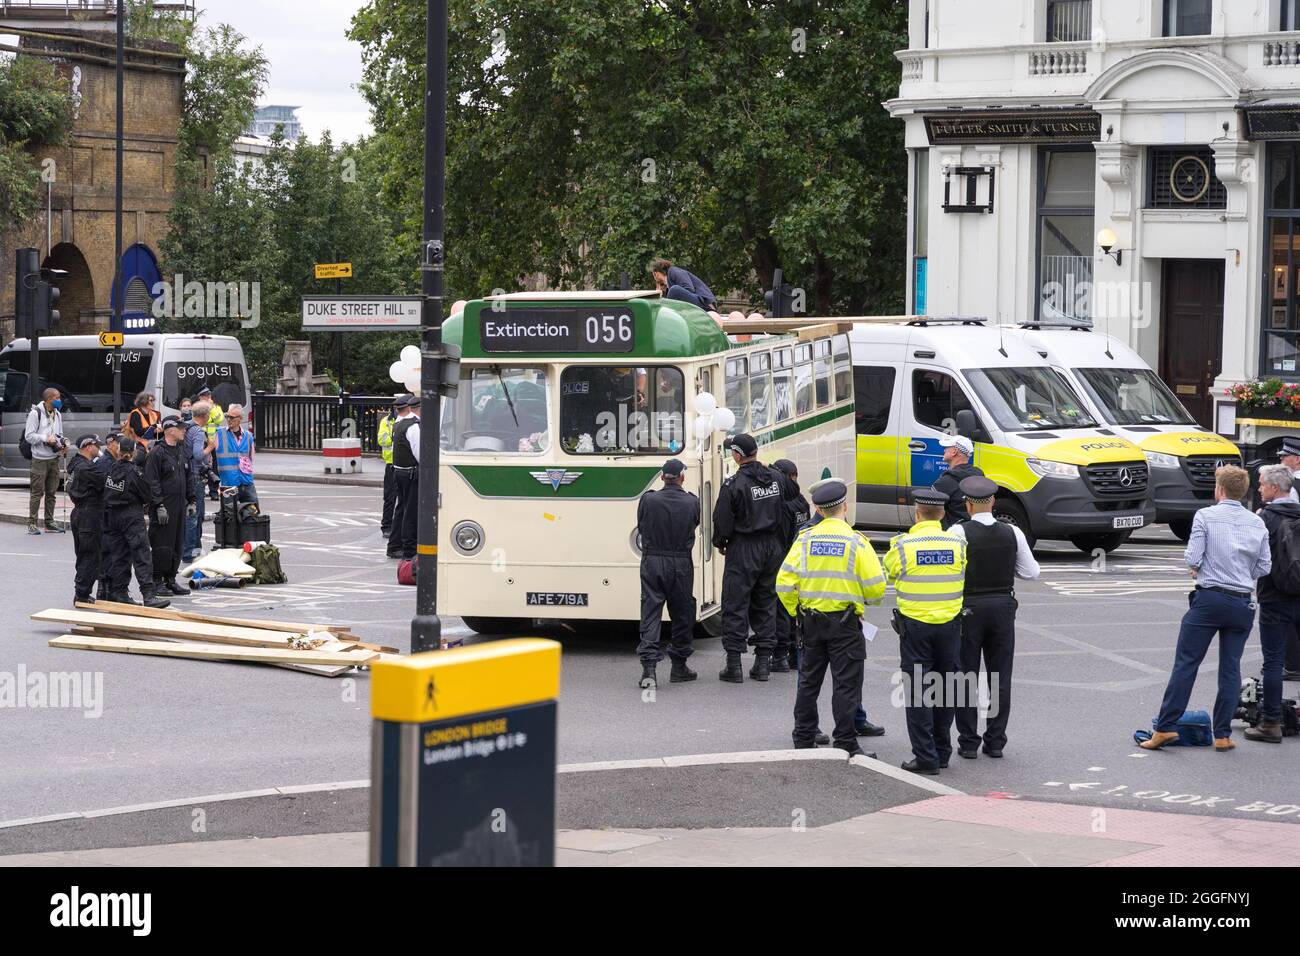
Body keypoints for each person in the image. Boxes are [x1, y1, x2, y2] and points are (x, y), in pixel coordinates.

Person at [1142, 465, 1269, 752]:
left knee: (1186, 663)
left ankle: (1165, 727)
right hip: (1242, 601)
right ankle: (1222, 734)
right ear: (1243, 490)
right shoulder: (1256, 523)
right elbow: (1264, 565)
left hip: (1210, 598)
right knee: (1230, 667)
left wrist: (1198, 568)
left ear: (1219, 489)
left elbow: (1193, 555)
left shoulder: (1206, 516)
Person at [780, 479, 887, 757]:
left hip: (811, 622)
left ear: (818, 508)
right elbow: (876, 587)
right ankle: (846, 741)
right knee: (846, 686)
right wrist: (863, 601)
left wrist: (797, 612)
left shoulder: (805, 540)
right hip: (846, 624)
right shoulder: (856, 542)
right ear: (845, 506)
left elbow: (783, 583)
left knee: (808, 682)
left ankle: (803, 738)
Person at [948, 476, 1039, 759]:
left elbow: (952, 573)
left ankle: (968, 742)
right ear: (993, 502)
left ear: (968, 504)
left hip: (968, 606)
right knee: (1000, 676)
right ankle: (996, 741)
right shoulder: (1013, 533)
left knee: (965, 675)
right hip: (1002, 607)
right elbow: (1031, 572)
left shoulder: (957, 532)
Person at [883, 488, 967, 775]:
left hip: (915, 628)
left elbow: (890, 572)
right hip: (949, 626)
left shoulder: (903, 545)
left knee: (918, 693)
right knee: (946, 689)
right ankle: (942, 752)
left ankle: (926, 757)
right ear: (942, 514)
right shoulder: (957, 544)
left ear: (917, 514)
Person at [712, 433, 789, 682]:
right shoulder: (776, 477)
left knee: (735, 603)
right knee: (766, 602)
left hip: (744, 549)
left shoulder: (733, 484)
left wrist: (720, 543)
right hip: (772, 548)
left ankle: (734, 665)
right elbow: (794, 491)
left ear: (736, 455)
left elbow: (722, 521)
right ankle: (763, 663)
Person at [1244, 463, 1300, 744]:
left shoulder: (1265, 518)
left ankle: (1271, 723)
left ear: (1275, 488)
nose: (1259, 488)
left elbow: (1253, 559)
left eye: (1263, 484)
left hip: (1274, 596)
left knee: (1274, 662)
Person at [635, 458, 701, 688]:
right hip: (680, 562)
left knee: (651, 611)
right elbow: (694, 525)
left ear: (662, 477)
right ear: (682, 477)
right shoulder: (692, 502)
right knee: (682, 614)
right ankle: (679, 666)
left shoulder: (648, 499)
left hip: (653, 560)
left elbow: (642, 527)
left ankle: (649, 670)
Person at [103, 436, 170, 609]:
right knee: (141, 555)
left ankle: (120, 592)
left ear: (119, 451)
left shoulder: (111, 468)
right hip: (131, 515)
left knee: (119, 556)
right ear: (133, 452)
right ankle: (148, 595)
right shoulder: (135, 472)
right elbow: (147, 495)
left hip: (112, 516)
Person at [144, 417, 195, 597]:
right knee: (161, 544)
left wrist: (192, 500)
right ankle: (157, 580)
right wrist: (158, 505)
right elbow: (152, 481)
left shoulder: (181, 450)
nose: (184, 431)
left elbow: (189, 476)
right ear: (169, 430)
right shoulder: (157, 452)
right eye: (180, 428)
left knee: (177, 543)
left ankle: (170, 579)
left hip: (180, 504)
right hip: (165, 506)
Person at [771, 459, 810, 672]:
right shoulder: (802, 501)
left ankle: (781, 655)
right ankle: (797, 653)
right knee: (798, 610)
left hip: (784, 558)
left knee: (781, 609)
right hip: (801, 561)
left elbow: (781, 533)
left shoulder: (783, 504)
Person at [66, 434, 109, 605]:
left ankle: (82, 592)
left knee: (84, 554)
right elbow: (105, 481)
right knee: (90, 555)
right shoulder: (86, 468)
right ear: (88, 446)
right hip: (89, 515)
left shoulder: (77, 465)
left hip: (81, 513)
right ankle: (82, 594)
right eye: (96, 445)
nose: (99, 448)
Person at [1271, 438, 1300, 679]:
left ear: (1297, 459)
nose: (1281, 460)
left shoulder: (1293, 487)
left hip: (1291, 557)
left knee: (1289, 613)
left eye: (1285, 457)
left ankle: (1291, 663)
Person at [25, 387, 67, 535]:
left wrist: (62, 444)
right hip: (39, 459)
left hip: (53, 459)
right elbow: (29, 436)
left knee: (51, 492)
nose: (59, 400)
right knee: (37, 492)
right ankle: (32, 523)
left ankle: (49, 522)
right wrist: (45, 438)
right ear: (49, 399)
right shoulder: (35, 413)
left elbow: (59, 434)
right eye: (57, 398)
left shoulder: (58, 414)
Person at [388, 395, 421, 561]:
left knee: (401, 509)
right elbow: (420, 454)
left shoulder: (399, 424)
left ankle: (394, 546)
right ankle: (409, 549)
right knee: (410, 511)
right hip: (410, 473)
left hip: (399, 471)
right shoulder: (413, 427)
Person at [931, 435, 984, 529]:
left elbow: (929, 511)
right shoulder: (980, 476)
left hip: (951, 537)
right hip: (975, 532)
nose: (944, 450)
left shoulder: (945, 482)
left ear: (954, 452)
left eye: (947, 448)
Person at [183, 404, 213, 561]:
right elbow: (198, 455)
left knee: (188, 513)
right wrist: (210, 447)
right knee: (196, 515)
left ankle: (188, 549)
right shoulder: (198, 431)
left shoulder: (185, 427)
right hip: (195, 476)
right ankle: (192, 552)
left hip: (184, 475)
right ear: (205, 416)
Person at [213, 404, 257, 506]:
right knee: (229, 517)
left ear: (240, 419)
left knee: (252, 515)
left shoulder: (249, 436)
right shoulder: (219, 434)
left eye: (232, 417)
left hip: (246, 482)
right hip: (228, 484)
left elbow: (251, 458)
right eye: (227, 416)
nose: (229, 419)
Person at [650, 258, 718, 311]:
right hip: (700, 303)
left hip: (706, 304)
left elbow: (689, 288)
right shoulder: (669, 281)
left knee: (674, 290)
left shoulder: (673, 271)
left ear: (656, 273)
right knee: (672, 292)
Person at [378, 396, 402, 539]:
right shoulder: (386, 422)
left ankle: (399, 526)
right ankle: (386, 526)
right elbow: (382, 440)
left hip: (406, 464)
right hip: (391, 464)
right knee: (390, 498)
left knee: (405, 499)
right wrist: (395, 436)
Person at [197, 387, 224, 500]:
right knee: (201, 464)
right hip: (201, 439)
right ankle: (200, 490)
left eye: (208, 395)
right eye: (205, 396)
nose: (207, 398)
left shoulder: (216, 407)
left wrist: (211, 408)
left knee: (214, 466)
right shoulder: (197, 408)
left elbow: (219, 419)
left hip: (213, 439)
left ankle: (213, 491)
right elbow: (202, 420)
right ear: (200, 397)